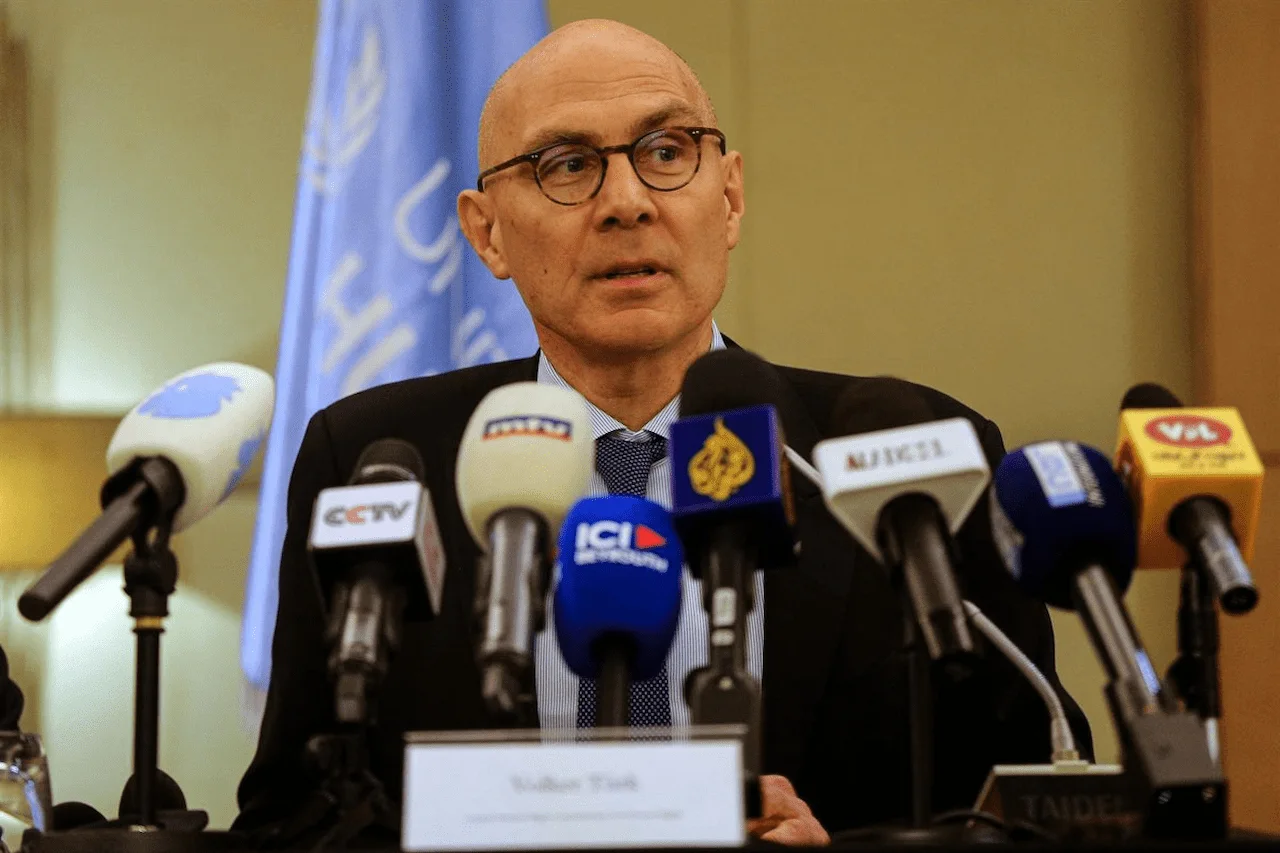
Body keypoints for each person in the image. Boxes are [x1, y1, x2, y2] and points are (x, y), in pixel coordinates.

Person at [236, 19, 1090, 845]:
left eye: (668, 152)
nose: (627, 202)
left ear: (730, 196)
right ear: (485, 231)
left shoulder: (910, 456)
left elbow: (1031, 800)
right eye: (566, 164)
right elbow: (297, 811)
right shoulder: (380, 459)